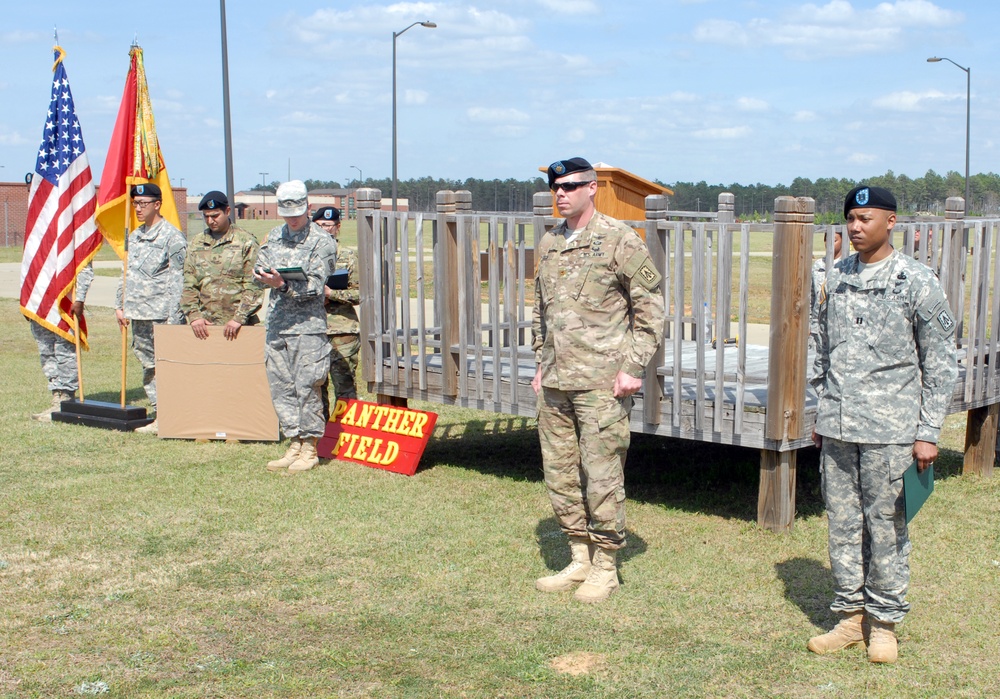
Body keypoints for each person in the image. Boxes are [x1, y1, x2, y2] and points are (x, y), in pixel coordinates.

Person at [809, 185, 957, 663]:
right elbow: (821, 347)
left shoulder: (915, 280)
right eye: (850, 218)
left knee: (887, 527)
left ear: (891, 222)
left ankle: (885, 623)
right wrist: (820, 410)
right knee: (843, 526)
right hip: (838, 425)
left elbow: (939, 361)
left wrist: (928, 431)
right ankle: (850, 617)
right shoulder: (835, 277)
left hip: (891, 429)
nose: (855, 227)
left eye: (865, 219)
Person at [531, 157, 665, 603]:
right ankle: (579, 556)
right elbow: (541, 310)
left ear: (592, 188)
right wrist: (538, 362)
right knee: (560, 472)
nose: (561, 194)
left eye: (569, 186)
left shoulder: (619, 240)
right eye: (556, 188)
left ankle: (606, 564)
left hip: (601, 382)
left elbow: (650, 309)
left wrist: (633, 367)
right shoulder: (550, 242)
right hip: (555, 379)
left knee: (602, 472)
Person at [254, 181, 338, 474]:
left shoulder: (322, 241)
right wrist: (264, 277)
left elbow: (316, 286)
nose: (292, 219)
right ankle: (295, 442)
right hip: (277, 324)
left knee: (307, 387)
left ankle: (311, 448)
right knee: (281, 387)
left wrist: (284, 285)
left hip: (307, 327)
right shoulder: (274, 236)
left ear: (308, 208)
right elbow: (259, 265)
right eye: (287, 213)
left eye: (298, 213)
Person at [115, 183, 187, 435]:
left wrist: (174, 317)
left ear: (157, 204)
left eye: (143, 203)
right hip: (138, 313)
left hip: (161, 314)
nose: (138, 208)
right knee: (148, 364)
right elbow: (127, 273)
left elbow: (179, 279)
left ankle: (171, 414)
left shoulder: (172, 237)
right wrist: (120, 305)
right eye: (135, 203)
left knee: (165, 365)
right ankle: (159, 411)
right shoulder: (134, 236)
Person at [181, 191, 263, 340]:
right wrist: (194, 315)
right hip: (204, 327)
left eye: (215, 216)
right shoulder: (196, 243)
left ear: (227, 211)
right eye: (206, 216)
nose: (211, 221)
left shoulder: (246, 242)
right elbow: (189, 283)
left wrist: (239, 318)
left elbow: (254, 285)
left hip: (238, 327)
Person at [29, 262, 94, 421]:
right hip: (40, 302)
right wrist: (28, 302)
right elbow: (31, 265)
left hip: (65, 302)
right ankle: (56, 395)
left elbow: (84, 266)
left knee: (65, 351)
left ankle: (66, 397)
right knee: (46, 351)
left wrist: (79, 299)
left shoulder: (73, 236)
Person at [313, 205, 361, 415]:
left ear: (337, 227)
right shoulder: (306, 257)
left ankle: (344, 436)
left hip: (342, 332)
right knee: (315, 387)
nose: (324, 230)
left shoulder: (348, 257)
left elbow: (361, 294)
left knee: (345, 387)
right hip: (313, 330)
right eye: (319, 225)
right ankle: (319, 435)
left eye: (329, 226)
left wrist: (331, 294)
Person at [809, 227, 843, 352]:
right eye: (826, 240)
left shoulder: (846, 265)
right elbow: (811, 296)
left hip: (839, 328)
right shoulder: (818, 265)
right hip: (817, 327)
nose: (828, 244)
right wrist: (809, 323)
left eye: (834, 240)